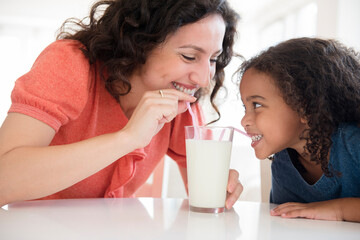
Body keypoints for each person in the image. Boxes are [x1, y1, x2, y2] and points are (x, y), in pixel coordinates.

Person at [0, 0, 243, 208]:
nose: (203, 78)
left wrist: (220, 190)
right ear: (140, 42)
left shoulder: (178, 97)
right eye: (189, 56)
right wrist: (127, 139)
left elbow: (203, 190)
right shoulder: (71, 63)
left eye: (213, 59)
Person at [238, 37, 360, 222]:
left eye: (256, 105)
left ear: (305, 108)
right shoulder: (283, 163)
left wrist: (339, 211)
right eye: (245, 107)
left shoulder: (353, 142)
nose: (244, 120)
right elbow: (284, 224)